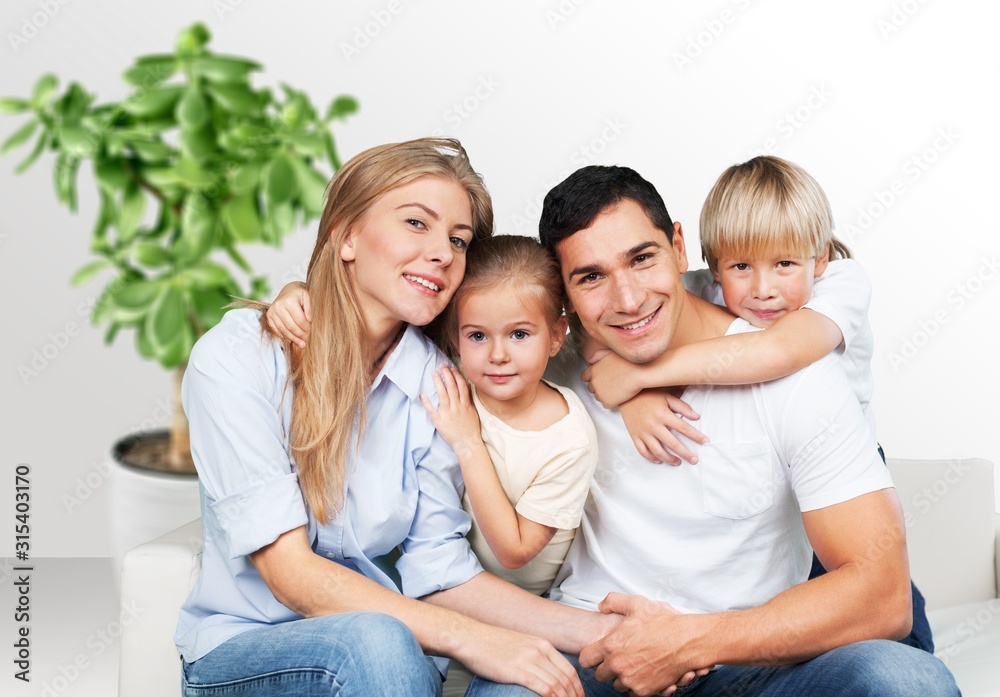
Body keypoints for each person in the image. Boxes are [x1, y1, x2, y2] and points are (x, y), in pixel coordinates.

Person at [468, 164, 958, 696]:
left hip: (748, 660)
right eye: (591, 277)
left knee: (906, 680)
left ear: (679, 247)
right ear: (563, 295)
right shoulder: (536, 364)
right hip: (597, 654)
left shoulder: (795, 371)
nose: (627, 299)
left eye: (642, 259)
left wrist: (688, 641)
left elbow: (882, 595)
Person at [174, 137, 615, 697]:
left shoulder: (438, 382)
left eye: (458, 240)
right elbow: (290, 575)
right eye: (416, 223)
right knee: (375, 641)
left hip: (391, 662)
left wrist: (603, 632)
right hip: (244, 653)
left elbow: (440, 570)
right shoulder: (236, 359)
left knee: (529, 676)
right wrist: (470, 639)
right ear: (348, 234)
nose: (443, 252)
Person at [580, 155, 933, 651]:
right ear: (710, 262)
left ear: (820, 258)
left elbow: (777, 351)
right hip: (777, 485)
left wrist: (642, 376)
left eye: (785, 264)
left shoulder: (842, 285)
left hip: (841, 463)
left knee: (886, 637)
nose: (763, 290)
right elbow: (605, 315)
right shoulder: (697, 287)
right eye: (741, 267)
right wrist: (635, 396)